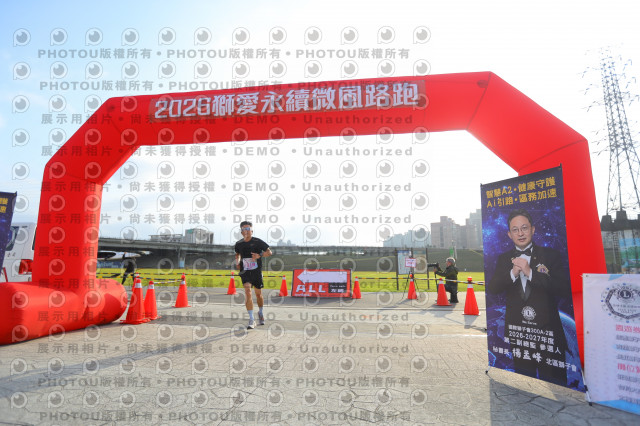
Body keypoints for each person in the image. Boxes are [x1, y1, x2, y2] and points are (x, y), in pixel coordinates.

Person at [487, 208, 570, 385]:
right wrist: (513, 273)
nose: (520, 233)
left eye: (524, 228)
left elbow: (563, 288)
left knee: (556, 385)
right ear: (509, 234)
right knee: (524, 384)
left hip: (547, 334)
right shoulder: (504, 259)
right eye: (515, 230)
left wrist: (530, 272)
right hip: (519, 333)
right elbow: (493, 288)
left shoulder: (551, 255)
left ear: (532, 229)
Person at [234, 221, 272, 329]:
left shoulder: (258, 242)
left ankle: (260, 312)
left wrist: (259, 255)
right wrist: (238, 262)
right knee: (248, 292)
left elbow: (269, 252)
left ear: (252, 230)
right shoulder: (239, 244)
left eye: (248, 228)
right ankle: (251, 319)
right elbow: (237, 254)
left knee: (258, 294)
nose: (246, 231)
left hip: (256, 271)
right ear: (241, 232)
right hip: (245, 271)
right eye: (244, 229)